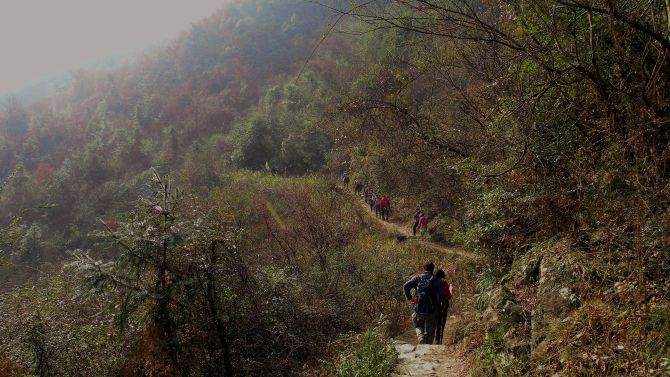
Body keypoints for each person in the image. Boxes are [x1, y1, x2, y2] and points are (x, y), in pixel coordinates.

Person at [403, 262, 447, 345]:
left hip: (419, 308)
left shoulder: (417, 278)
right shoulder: (437, 281)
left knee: (418, 325)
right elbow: (442, 295)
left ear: (424, 268)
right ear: (433, 270)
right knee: (430, 331)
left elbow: (405, 286)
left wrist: (410, 298)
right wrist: (443, 304)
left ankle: (420, 337)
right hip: (432, 310)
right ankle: (426, 348)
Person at [434, 269, 453, 344]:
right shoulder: (444, 284)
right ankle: (440, 340)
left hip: (435, 305)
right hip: (444, 305)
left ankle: (436, 339)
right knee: (442, 322)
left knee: (436, 323)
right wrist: (451, 289)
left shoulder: (433, 283)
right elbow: (449, 296)